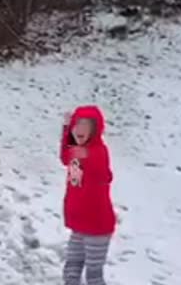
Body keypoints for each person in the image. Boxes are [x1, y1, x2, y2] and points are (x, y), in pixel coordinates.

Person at [59, 105, 116, 285]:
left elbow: (98, 169)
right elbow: (65, 157)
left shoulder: (98, 151)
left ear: (96, 130)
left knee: (93, 275)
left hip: (97, 225)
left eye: (86, 126)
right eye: (78, 125)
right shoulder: (78, 150)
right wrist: (67, 130)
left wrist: (70, 135)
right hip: (80, 224)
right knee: (71, 269)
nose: (79, 130)